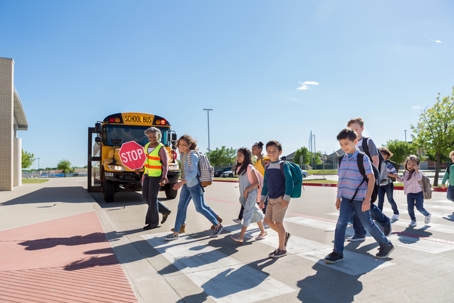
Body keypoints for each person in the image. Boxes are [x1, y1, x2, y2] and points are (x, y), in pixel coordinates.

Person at [325, 128, 394, 264]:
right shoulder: (342, 160)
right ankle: (337, 252)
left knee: (367, 224)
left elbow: (371, 178)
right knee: (341, 223)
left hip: (360, 198)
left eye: (346, 143)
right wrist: (338, 198)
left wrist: (367, 199)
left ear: (355, 141)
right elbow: (341, 180)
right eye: (341, 144)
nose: (344, 147)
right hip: (345, 198)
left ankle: (386, 244)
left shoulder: (362, 158)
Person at [164, 135, 223, 241]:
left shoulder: (192, 155)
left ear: (190, 145)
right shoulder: (182, 154)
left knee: (199, 207)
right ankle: (176, 232)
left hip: (195, 185)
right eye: (180, 144)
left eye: (184, 145)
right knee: (181, 207)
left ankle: (218, 225)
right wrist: (182, 182)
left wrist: (180, 183)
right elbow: (184, 171)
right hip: (187, 184)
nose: (181, 147)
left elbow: (193, 172)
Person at [346, 117, 392, 241]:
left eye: (356, 129)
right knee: (356, 204)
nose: (353, 131)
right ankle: (360, 233)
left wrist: (371, 177)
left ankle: (384, 221)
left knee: (366, 204)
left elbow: (375, 159)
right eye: (351, 129)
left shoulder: (367, 142)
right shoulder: (349, 144)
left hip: (368, 178)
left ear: (362, 129)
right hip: (355, 180)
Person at [260, 140, 293, 258]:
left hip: (280, 198)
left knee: (278, 223)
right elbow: (265, 184)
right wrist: (262, 199)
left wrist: (286, 197)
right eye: (269, 151)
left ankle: (281, 249)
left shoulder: (283, 165)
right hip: (270, 199)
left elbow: (289, 181)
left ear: (280, 152)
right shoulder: (268, 167)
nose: (271, 153)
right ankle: (284, 235)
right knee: (267, 221)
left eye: (274, 151)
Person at [229, 148, 267, 243]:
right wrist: (243, 192)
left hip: (251, 193)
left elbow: (256, 183)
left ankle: (241, 236)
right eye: (238, 155)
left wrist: (246, 190)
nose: (238, 157)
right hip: (244, 195)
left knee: (247, 213)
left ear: (246, 157)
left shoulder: (250, 167)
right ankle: (263, 231)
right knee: (254, 211)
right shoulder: (239, 168)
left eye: (240, 155)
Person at [136, 127, 170, 230]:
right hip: (147, 174)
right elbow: (144, 161)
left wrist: (164, 176)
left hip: (157, 176)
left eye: (154, 137)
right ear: (147, 136)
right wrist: (140, 169)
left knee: (152, 198)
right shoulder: (146, 146)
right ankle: (164, 210)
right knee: (145, 196)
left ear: (158, 136)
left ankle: (153, 223)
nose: (152, 139)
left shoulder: (161, 148)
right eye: (150, 137)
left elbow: (165, 164)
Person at [233, 141, 270, 223]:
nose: (252, 151)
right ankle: (241, 218)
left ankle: (266, 220)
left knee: (262, 202)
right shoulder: (257, 161)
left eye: (254, 149)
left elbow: (272, 169)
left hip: (265, 184)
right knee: (248, 202)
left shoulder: (265, 159)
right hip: (258, 185)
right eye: (252, 149)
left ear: (260, 149)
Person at [396, 155, 431, 227]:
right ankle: (413, 220)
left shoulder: (418, 173)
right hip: (409, 193)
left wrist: (416, 170)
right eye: (409, 164)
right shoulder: (405, 173)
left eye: (413, 165)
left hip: (418, 193)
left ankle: (427, 214)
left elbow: (418, 178)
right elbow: (402, 180)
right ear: (406, 164)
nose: (410, 166)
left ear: (417, 165)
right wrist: (397, 177)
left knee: (419, 207)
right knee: (410, 208)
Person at [377, 147, 400, 220]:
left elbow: (395, 175)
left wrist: (386, 174)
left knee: (390, 199)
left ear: (386, 155)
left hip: (388, 184)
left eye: (382, 154)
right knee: (380, 200)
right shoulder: (377, 164)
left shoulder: (388, 164)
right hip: (380, 185)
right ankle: (379, 215)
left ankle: (396, 213)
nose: (380, 156)